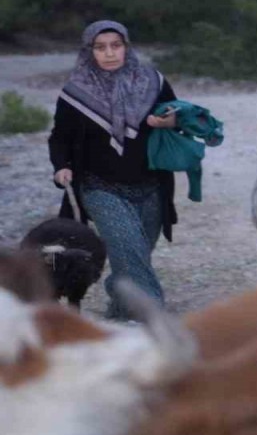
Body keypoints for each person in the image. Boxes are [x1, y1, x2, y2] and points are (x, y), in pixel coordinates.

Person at [48, 20, 178, 320]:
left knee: (133, 257)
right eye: (100, 47)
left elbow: (179, 116)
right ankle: (152, 317)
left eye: (116, 46)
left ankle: (120, 313)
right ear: (89, 50)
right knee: (130, 251)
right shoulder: (75, 92)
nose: (109, 53)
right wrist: (61, 166)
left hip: (151, 187)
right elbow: (60, 136)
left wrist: (170, 122)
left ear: (126, 47)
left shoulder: (154, 82)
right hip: (99, 187)